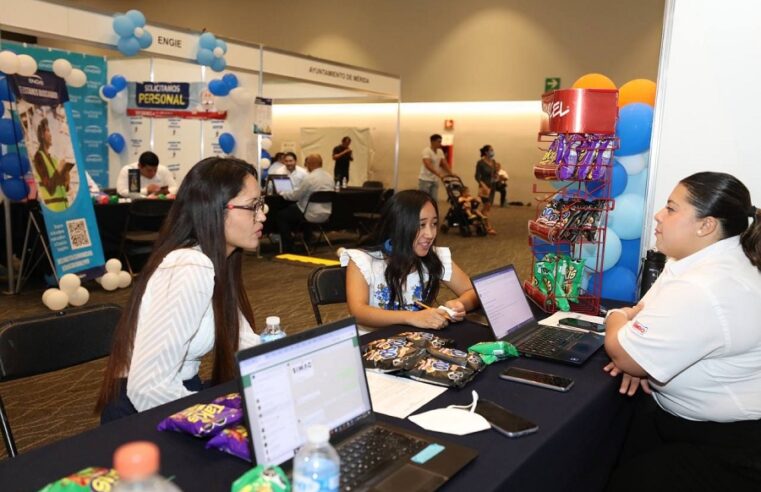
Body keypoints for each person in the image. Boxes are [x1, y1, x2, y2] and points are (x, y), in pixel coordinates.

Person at [603, 172, 761, 491]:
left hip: (730, 447)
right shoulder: (693, 262)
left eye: (672, 208)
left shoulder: (706, 285)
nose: (659, 215)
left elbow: (624, 351)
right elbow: (642, 327)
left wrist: (617, 319)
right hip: (689, 425)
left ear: (706, 225)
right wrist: (640, 352)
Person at [97, 157, 266, 422]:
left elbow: (245, 341)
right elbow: (147, 388)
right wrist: (216, 420)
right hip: (142, 414)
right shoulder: (189, 266)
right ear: (215, 209)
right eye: (253, 206)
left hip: (180, 392)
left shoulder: (214, 260)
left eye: (261, 204)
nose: (263, 214)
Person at [341, 189, 479, 330]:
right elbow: (358, 312)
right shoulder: (363, 260)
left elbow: (473, 291)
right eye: (421, 225)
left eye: (434, 224)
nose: (430, 234)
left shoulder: (436, 257)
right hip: (372, 343)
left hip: (416, 343)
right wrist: (410, 317)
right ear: (398, 226)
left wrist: (460, 303)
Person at [275, 154, 334, 253]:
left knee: (281, 215)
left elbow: (295, 196)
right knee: (299, 212)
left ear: (309, 164)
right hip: (326, 213)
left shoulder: (310, 178)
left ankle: (288, 248)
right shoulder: (329, 177)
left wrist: (282, 193)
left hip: (309, 213)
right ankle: (307, 241)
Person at [33, 118, 73, 212]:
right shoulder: (39, 157)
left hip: (64, 208)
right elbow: (50, 188)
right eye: (47, 131)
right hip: (52, 211)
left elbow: (64, 189)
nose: (50, 135)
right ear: (42, 135)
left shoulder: (54, 160)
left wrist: (66, 178)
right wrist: (59, 170)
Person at [418, 134, 452, 202]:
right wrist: (438, 174)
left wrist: (451, 173)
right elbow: (428, 165)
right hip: (425, 179)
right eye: (438, 141)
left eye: (440, 141)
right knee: (424, 199)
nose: (440, 143)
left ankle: (433, 211)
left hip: (434, 180)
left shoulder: (440, 151)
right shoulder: (426, 151)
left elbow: (444, 163)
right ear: (432, 142)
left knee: (434, 200)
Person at [475, 145, 499, 233]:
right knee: (487, 205)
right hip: (484, 188)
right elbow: (477, 176)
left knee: (487, 208)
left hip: (492, 187)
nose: (493, 152)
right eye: (491, 150)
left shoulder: (493, 162)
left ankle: (478, 218)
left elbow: (495, 173)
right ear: (486, 152)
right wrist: (483, 185)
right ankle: (488, 227)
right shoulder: (480, 163)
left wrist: (496, 176)